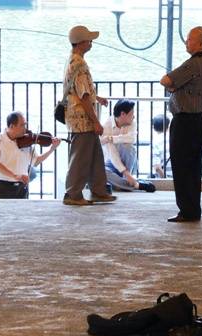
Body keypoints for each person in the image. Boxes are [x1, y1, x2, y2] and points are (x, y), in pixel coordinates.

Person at [160, 26, 202, 222]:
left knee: (182, 166)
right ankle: (193, 209)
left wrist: (173, 86)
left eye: (190, 39)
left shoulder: (192, 63)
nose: (186, 42)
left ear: (201, 43)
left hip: (185, 121)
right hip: (198, 119)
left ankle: (187, 210)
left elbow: (165, 80)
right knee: (193, 166)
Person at [62, 25, 116, 206]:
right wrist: (96, 122)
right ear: (81, 42)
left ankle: (99, 190)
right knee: (81, 157)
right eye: (89, 39)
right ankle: (73, 193)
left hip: (78, 118)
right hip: (82, 120)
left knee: (94, 155)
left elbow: (79, 90)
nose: (91, 42)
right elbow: (84, 97)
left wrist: (96, 97)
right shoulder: (79, 64)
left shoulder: (72, 60)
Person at [0, 111, 60, 199]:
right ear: (12, 126)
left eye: (25, 125)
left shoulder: (27, 141)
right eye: (22, 125)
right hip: (1, 187)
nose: (25, 128)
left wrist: (52, 149)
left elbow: (36, 161)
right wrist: (15, 176)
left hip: (21, 188)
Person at [100, 99, 155, 192]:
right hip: (112, 162)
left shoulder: (132, 122)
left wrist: (111, 138)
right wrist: (125, 172)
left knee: (128, 147)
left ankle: (121, 183)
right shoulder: (106, 126)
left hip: (128, 161)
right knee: (102, 171)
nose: (133, 116)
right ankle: (136, 184)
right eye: (131, 114)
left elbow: (132, 138)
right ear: (122, 114)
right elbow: (112, 154)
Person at [151, 114, 170, 178]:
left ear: (153, 128)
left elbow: (157, 167)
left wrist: (166, 180)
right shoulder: (176, 139)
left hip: (165, 178)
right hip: (180, 177)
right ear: (168, 126)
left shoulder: (155, 142)